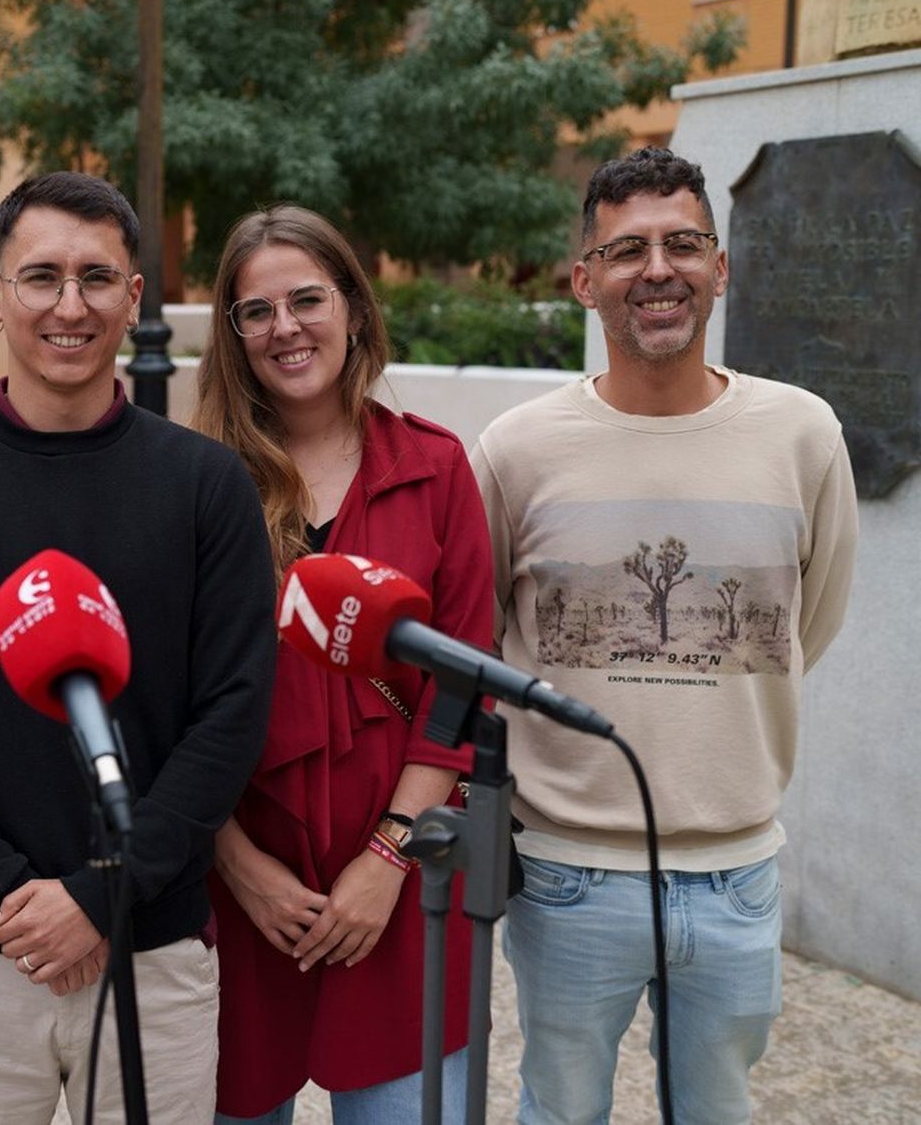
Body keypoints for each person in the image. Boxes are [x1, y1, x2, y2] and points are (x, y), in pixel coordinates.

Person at [0, 171, 276, 1124]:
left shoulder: (207, 487)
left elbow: (233, 713)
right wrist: (15, 897)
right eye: (40, 277)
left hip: (153, 952)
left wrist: (103, 894)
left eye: (96, 277)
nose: (69, 305)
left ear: (132, 297)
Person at [472, 147, 858, 1124]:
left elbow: (804, 625)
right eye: (627, 249)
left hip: (735, 874)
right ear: (585, 279)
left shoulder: (803, 435)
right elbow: (480, 630)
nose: (657, 268)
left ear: (719, 269)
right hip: (565, 873)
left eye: (683, 243)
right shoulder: (516, 449)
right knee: (558, 1110)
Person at [191, 206, 491, 1123]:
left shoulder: (436, 469)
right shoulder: (194, 479)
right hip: (242, 895)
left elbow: (463, 684)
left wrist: (387, 859)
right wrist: (235, 864)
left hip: (402, 893)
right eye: (257, 310)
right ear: (234, 336)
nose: (286, 326)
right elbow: (160, 697)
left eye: (308, 298)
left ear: (355, 309)